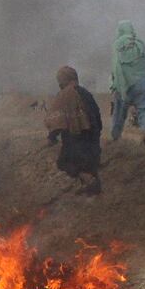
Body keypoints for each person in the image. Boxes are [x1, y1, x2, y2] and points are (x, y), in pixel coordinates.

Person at [46, 66, 103, 195]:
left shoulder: (63, 96)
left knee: (63, 162)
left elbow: (57, 120)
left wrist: (51, 137)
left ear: (62, 81)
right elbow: (97, 116)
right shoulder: (86, 93)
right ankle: (91, 188)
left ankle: (89, 181)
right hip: (92, 138)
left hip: (75, 139)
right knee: (88, 164)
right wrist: (95, 135)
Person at [108, 21, 145, 142]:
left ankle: (116, 136)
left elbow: (115, 66)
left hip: (123, 84)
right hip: (141, 83)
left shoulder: (117, 44)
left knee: (119, 111)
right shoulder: (139, 44)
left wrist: (114, 84)